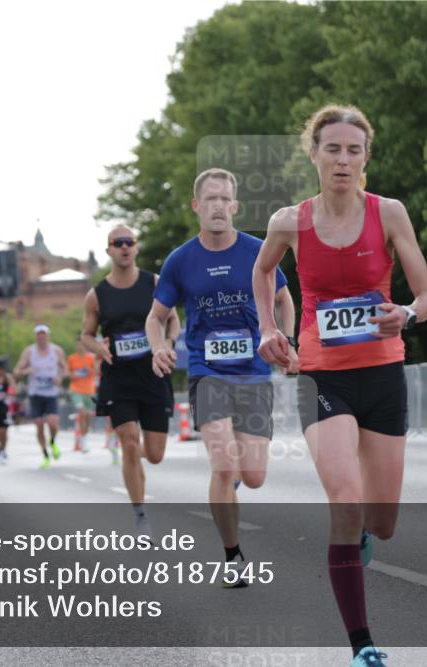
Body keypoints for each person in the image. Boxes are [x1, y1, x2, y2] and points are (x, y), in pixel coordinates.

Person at [253, 104, 427, 667]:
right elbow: (263, 271)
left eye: (353, 150)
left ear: (366, 158)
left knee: (380, 520)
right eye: (332, 149)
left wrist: (404, 313)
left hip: (382, 372)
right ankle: (362, 646)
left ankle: (361, 536)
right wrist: (269, 330)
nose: (342, 159)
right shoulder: (290, 221)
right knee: (346, 500)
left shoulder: (390, 214)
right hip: (321, 375)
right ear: (313, 154)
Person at [147, 167, 297, 582]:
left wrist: (286, 339)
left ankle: (230, 490)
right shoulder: (180, 260)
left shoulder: (257, 250)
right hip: (207, 372)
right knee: (224, 465)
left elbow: (285, 299)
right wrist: (160, 346)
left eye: (224, 199)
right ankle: (233, 557)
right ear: (197, 206)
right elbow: (156, 317)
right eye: (209, 198)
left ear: (235, 206)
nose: (217, 206)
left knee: (254, 476)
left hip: (252, 373)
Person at [82, 224, 179, 533]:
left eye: (129, 242)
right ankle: (140, 514)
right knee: (129, 444)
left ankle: (140, 497)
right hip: (119, 378)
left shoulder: (155, 282)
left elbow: (173, 319)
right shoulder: (96, 295)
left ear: (136, 248)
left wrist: (167, 344)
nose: (124, 247)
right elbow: (85, 335)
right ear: (109, 250)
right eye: (117, 243)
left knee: (155, 454)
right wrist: (98, 347)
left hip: (153, 375)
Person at [13, 324, 66, 469]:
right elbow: (16, 371)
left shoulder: (56, 350)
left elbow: (65, 368)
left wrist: (60, 378)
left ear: (48, 335)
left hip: (51, 393)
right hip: (35, 393)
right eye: (39, 334)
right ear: (36, 336)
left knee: (53, 422)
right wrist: (25, 371)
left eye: (44, 334)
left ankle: (53, 442)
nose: (41, 337)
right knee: (39, 425)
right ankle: (45, 455)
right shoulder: (29, 352)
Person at [67, 335, 100, 452]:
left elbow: (97, 371)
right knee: (82, 412)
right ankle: (82, 439)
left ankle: (84, 437)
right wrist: (74, 375)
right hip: (75, 389)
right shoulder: (72, 358)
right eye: (78, 344)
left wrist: (89, 369)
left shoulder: (91, 358)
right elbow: (68, 373)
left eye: (82, 344)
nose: (80, 346)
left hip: (89, 390)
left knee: (87, 416)